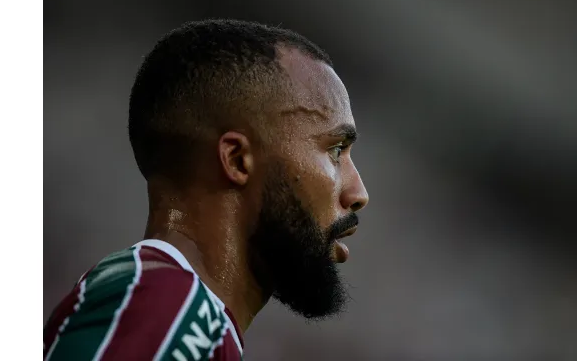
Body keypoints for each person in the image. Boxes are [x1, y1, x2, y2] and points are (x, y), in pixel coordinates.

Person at [43, 19, 370, 360]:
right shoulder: (166, 305)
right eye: (335, 150)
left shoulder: (186, 317)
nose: (359, 192)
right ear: (238, 160)